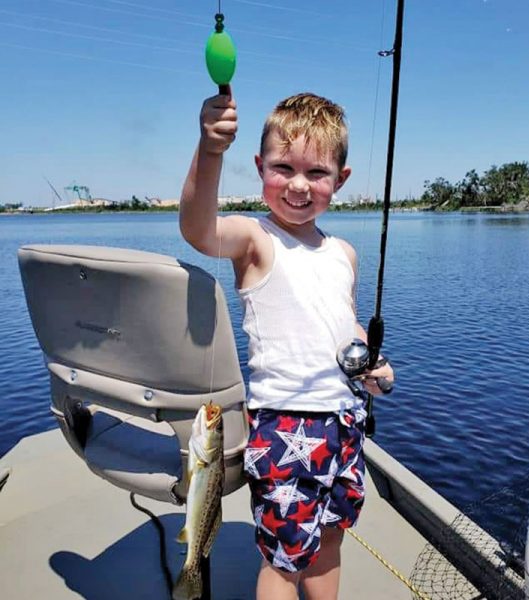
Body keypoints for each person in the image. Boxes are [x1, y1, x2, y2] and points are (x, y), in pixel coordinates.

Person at [180, 88, 394, 600]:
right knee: (283, 563)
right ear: (259, 168)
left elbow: (345, 331)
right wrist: (210, 150)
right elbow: (198, 229)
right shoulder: (256, 239)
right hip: (286, 428)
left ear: (339, 180)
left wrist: (374, 365)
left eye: (316, 173)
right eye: (283, 168)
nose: (299, 185)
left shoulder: (344, 253)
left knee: (330, 541)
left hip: (345, 424)